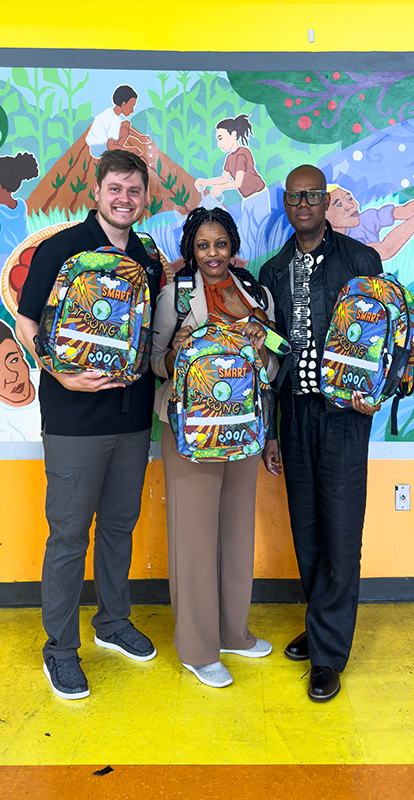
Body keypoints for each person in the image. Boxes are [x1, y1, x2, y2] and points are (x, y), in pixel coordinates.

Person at [15, 150, 164, 700]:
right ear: (96, 192)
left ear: (145, 198)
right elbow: (27, 319)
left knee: (121, 526)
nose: (124, 199)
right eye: (115, 189)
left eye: (134, 190)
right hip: (75, 418)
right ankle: (60, 650)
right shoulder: (58, 249)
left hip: (133, 416)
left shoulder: (148, 259)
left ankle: (113, 623)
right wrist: (56, 370)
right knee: (70, 535)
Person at [259, 165, 383, 703]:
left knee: (340, 532)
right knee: (306, 530)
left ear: (326, 200)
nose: (303, 203)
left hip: (343, 417)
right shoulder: (273, 270)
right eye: (294, 197)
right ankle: (320, 623)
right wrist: (269, 430)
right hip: (295, 413)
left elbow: (388, 333)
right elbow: (266, 356)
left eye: (313, 195)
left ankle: (330, 654)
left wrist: (378, 388)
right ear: (286, 204)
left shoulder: (361, 260)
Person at [150, 207, 277, 689]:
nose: (212, 254)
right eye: (202, 245)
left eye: (220, 244)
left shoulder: (256, 296)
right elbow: (154, 366)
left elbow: (272, 367)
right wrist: (176, 350)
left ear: (233, 246)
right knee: (194, 535)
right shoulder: (174, 298)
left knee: (235, 529)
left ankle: (231, 632)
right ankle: (198, 647)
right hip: (189, 430)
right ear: (191, 250)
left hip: (243, 428)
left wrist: (263, 342)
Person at [326, 179, 414, 261]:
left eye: (349, 198)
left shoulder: (363, 220)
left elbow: (405, 211)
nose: (351, 205)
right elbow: (386, 249)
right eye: (339, 204)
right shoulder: (333, 248)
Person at [195, 115, 270, 262]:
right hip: (248, 198)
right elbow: (224, 179)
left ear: (233, 135)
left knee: (258, 233)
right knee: (246, 232)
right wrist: (205, 181)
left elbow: (238, 182)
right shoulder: (230, 158)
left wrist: (221, 188)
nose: (218, 143)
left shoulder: (243, 153)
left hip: (259, 196)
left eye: (221, 138)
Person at [86, 85, 152, 159]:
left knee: (126, 124)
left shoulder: (111, 112)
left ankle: (118, 152)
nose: (132, 111)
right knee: (124, 130)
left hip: (96, 146)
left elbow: (122, 129)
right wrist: (129, 150)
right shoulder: (114, 120)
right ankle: (116, 155)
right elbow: (110, 146)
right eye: (131, 106)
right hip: (99, 149)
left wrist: (139, 137)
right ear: (123, 104)